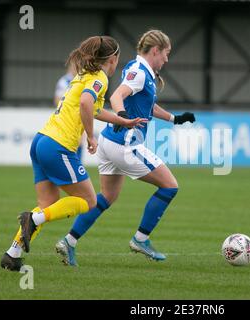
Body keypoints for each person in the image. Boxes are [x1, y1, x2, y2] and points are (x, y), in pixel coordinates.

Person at [0, 35, 147, 271]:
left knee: (47, 203)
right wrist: (90, 136)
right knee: (89, 201)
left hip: (42, 140)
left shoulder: (83, 75)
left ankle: (13, 254)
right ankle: (33, 219)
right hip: (58, 146)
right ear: (113, 58)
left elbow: (95, 109)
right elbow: (86, 105)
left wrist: (121, 120)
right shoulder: (99, 77)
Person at [55, 29, 196, 266]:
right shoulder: (140, 72)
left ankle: (68, 241)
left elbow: (146, 105)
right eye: (166, 54)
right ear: (155, 51)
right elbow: (117, 96)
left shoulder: (138, 69)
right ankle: (141, 239)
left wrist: (175, 119)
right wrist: (121, 114)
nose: (167, 59)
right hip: (125, 144)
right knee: (170, 186)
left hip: (109, 142)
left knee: (107, 197)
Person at [54, 65, 85, 160]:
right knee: (68, 143)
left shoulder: (83, 80)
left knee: (80, 141)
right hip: (67, 117)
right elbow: (57, 100)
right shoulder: (65, 81)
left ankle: (77, 164)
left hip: (79, 117)